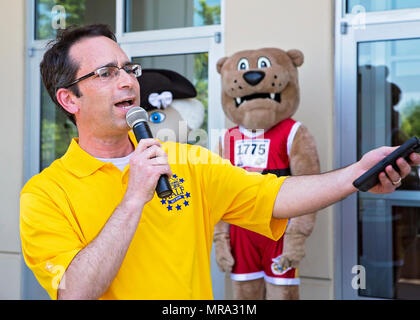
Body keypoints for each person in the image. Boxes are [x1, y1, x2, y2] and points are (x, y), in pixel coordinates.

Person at [20, 24, 420, 300]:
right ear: (69, 99)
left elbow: (275, 194)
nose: (128, 81)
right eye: (106, 73)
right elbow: (76, 290)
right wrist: (133, 197)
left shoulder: (188, 160)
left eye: (128, 68)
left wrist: (356, 173)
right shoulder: (44, 195)